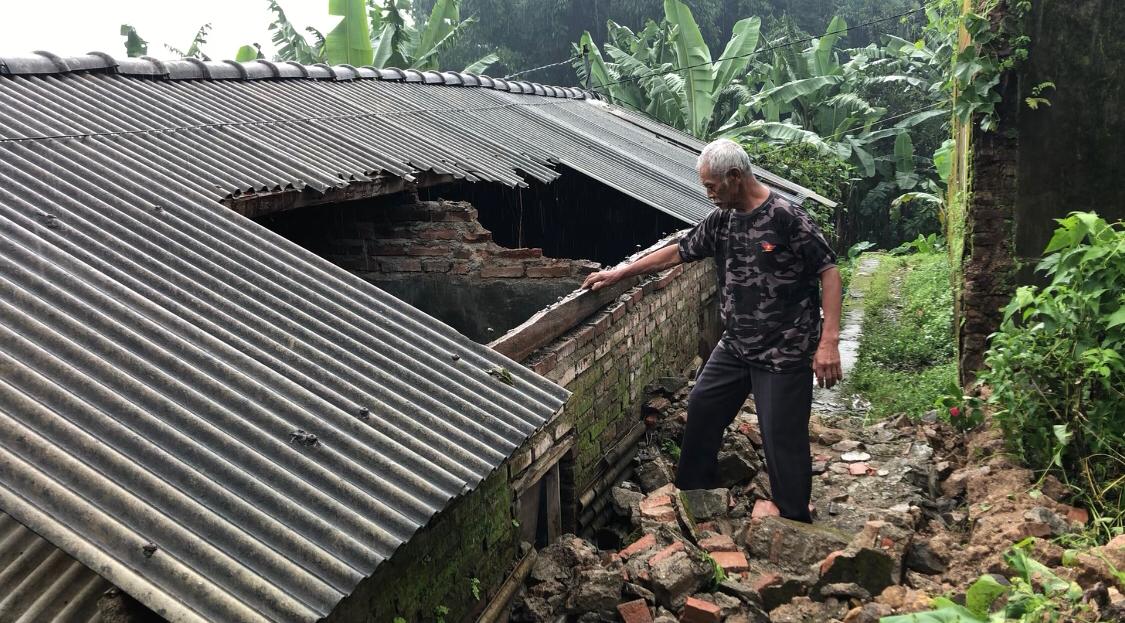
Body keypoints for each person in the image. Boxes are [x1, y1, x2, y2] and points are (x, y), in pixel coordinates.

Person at [581, 138, 842, 523]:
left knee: (781, 437)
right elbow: (679, 250)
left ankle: (793, 518)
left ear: (735, 177)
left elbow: (829, 271)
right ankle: (694, 498)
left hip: (783, 351)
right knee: (702, 407)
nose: (708, 193)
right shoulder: (723, 220)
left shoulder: (787, 216)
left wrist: (828, 342)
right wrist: (620, 272)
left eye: (711, 186)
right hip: (736, 346)